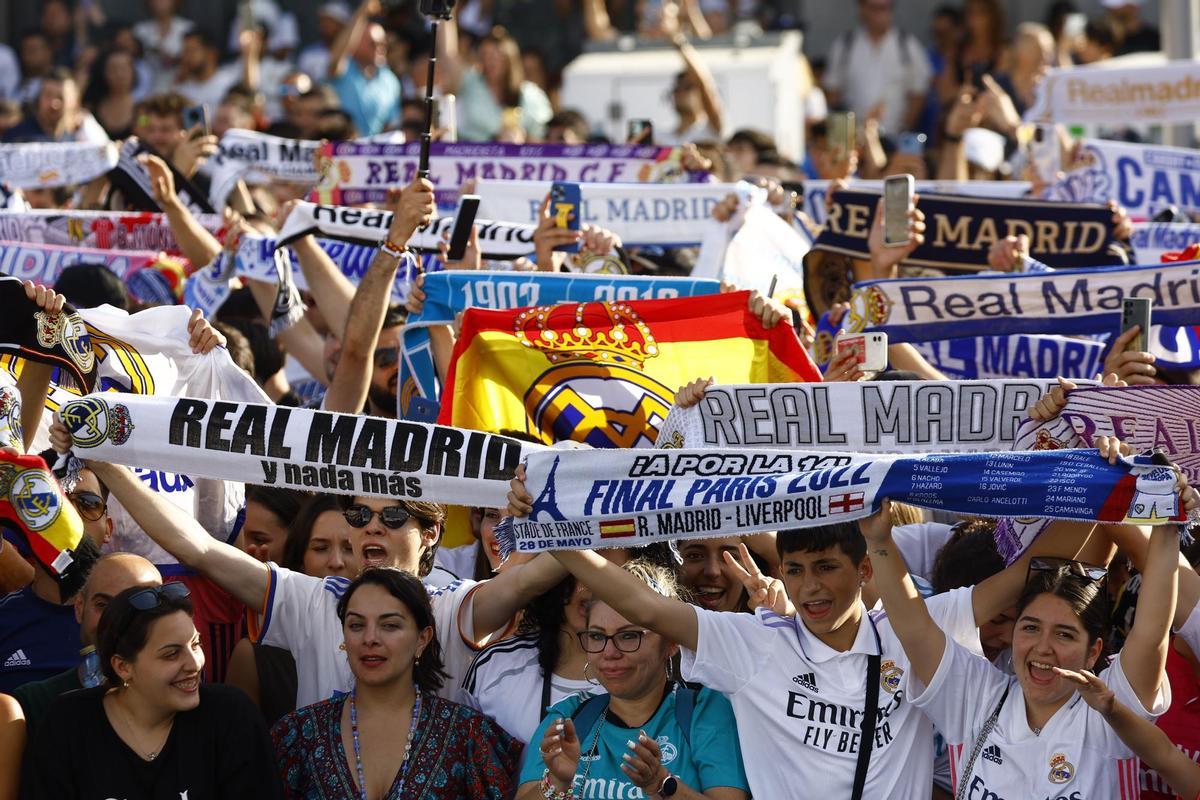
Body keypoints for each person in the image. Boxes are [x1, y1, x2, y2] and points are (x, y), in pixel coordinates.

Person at [506, 471, 1097, 797]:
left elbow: (1036, 566)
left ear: (863, 570)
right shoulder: (755, 644)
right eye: (794, 569)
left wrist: (1099, 474)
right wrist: (550, 529)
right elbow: (642, 604)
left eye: (826, 568)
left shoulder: (916, 628)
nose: (810, 587)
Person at [863, 438, 1193, 797]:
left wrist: (1167, 522)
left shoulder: (1111, 709)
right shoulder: (975, 697)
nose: (1043, 647)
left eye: (1064, 634)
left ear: (1094, 652)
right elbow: (912, 626)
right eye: (1031, 627)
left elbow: (1151, 631)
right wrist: (878, 541)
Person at [272, 568, 521, 799]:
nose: (370, 638)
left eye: (390, 626)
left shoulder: (467, 735)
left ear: (422, 639)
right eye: (356, 625)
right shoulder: (300, 734)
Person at [22, 583, 284, 798]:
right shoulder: (68, 723)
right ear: (123, 667)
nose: (194, 664)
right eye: (171, 654)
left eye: (196, 644)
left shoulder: (230, 715)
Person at [517, 559, 750, 800]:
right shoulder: (569, 717)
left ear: (671, 642)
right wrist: (557, 782)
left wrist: (662, 785)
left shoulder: (703, 711)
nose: (609, 652)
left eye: (629, 636)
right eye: (597, 636)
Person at [11, 553, 162, 739]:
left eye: (136, 606)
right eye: (103, 605)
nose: (115, 620)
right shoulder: (35, 702)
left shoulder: (179, 696)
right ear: (79, 608)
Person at [823, 0, 932, 135]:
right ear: (862, 9)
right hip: (855, 137)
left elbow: (918, 93)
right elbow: (833, 93)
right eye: (875, 8)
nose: (881, 14)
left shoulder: (907, 45)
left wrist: (904, 129)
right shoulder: (845, 45)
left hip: (894, 136)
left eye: (886, 8)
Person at [440, 22, 553, 143]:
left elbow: (544, 136)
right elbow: (447, 56)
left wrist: (522, 138)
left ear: (509, 58)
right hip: (471, 150)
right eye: (485, 55)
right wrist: (446, 18)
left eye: (496, 56)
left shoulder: (530, 94)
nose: (489, 61)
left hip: (516, 153)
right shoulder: (470, 83)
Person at [327, 0, 402, 138]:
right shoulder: (343, 69)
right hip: (341, 144)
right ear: (355, 44)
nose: (380, 48)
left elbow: (390, 124)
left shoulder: (390, 81)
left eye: (383, 44)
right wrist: (362, 12)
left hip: (373, 149)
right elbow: (338, 53)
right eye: (373, 43)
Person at [2, 68, 108, 144]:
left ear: (75, 102)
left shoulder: (80, 138)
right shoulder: (16, 137)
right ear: (39, 98)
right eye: (48, 96)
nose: (54, 104)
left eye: (61, 97)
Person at [82, 50, 141, 141]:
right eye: (113, 69)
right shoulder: (91, 109)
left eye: (124, 69)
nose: (119, 74)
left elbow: (146, 129)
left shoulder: (142, 110)